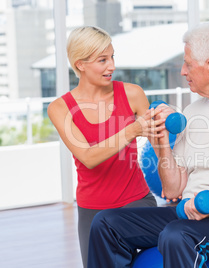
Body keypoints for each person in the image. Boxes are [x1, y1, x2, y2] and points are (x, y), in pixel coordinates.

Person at [87, 22, 209, 268]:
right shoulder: (193, 112)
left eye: (188, 64)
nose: (182, 71)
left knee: (178, 235)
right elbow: (172, 188)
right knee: (106, 222)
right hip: (191, 214)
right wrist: (162, 142)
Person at [47, 26, 166, 268]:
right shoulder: (60, 108)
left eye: (112, 57)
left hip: (137, 202)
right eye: (102, 60)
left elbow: (158, 143)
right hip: (92, 210)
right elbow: (88, 156)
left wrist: (163, 126)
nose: (111, 66)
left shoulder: (133, 94)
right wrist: (132, 130)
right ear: (80, 64)